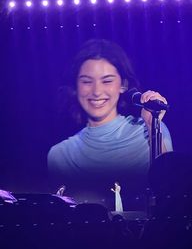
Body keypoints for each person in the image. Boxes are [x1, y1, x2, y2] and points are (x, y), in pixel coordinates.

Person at [48, 39, 173, 204]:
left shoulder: (148, 130)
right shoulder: (61, 154)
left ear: (123, 85)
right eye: (86, 81)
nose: (97, 91)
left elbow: (171, 188)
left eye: (107, 81)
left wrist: (152, 126)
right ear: (76, 85)